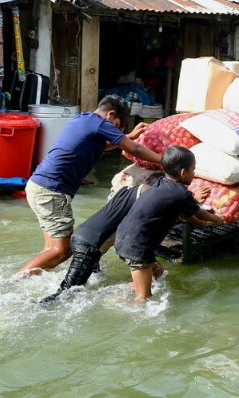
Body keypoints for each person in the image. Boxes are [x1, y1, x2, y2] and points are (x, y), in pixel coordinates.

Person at [19, 95, 163, 277]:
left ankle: (31, 280)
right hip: (52, 190)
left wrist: (127, 136)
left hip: (39, 185)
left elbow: (101, 146)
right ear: (110, 114)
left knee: (50, 249)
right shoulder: (100, 124)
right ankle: (14, 283)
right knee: (61, 251)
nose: (115, 130)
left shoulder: (83, 119)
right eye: (116, 126)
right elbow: (134, 149)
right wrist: (165, 160)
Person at [40, 174, 211, 304]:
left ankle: (117, 297)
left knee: (155, 270)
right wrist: (193, 201)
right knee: (65, 296)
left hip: (83, 236)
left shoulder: (125, 192)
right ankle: (40, 307)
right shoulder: (146, 198)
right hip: (90, 246)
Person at [114, 146, 224, 301]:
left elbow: (186, 213)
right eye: (193, 170)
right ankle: (125, 309)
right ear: (183, 173)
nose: (194, 173)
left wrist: (199, 223)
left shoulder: (161, 183)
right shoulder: (180, 193)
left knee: (157, 272)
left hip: (123, 238)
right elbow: (198, 212)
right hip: (137, 246)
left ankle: (116, 298)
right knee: (144, 298)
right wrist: (217, 219)